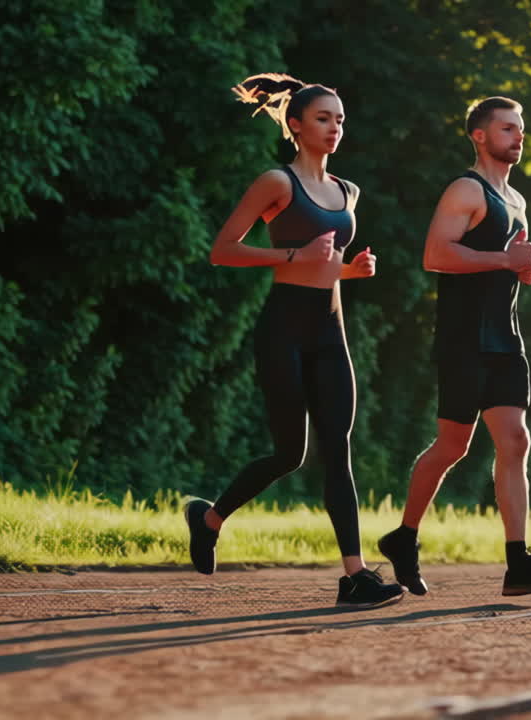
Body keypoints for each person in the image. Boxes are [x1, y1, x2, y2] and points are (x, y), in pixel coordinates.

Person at [183, 73, 404, 609]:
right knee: (288, 453)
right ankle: (208, 518)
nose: (335, 128)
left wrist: (352, 271)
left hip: (331, 333)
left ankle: (355, 577)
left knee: (338, 451)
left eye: (341, 120)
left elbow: (325, 268)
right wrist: (291, 257)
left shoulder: (348, 191)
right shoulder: (276, 183)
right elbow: (223, 250)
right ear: (297, 125)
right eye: (324, 119)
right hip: (282, 330)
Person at [377, 96, 531, 597]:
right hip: (464, 336)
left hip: (505, 337)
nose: (518, 137)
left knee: (516, 441)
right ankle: (404, 537)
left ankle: (518, 564)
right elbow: (436, 255)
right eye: (508, 129)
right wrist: (502, 261)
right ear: (480, 136)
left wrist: (525, 267)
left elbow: (508, 262)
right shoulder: (467, 189)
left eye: (521, 129)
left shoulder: (517, 200)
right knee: (453, 445)